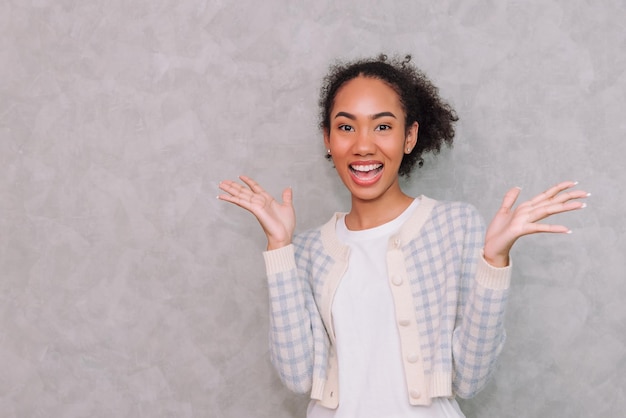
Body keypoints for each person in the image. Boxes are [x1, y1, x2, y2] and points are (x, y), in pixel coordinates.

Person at [218, 55, 588, 417]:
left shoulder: (455, 226)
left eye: (383, 126)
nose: (363, 145)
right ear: (327, 138)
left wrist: (494, 263)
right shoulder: (308, 250)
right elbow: (297, 376)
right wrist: (280, 248)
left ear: (409, 136)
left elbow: (470, 380)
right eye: (346, 127)